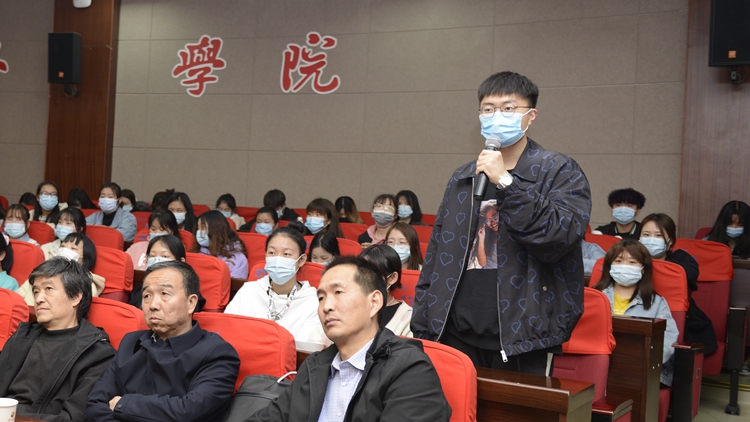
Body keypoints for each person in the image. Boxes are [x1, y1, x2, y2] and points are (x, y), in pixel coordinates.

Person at [412, 71, 591, 374]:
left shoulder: (559, 170)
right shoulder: (464, 176)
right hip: (455, 330)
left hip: (524, 334)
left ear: (531, 116)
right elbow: (438, 254)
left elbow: (558, 237)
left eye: (508, 108)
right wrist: (425, 316)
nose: (497, 116)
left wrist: (506, 181)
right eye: (488, 109)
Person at [247, 256, 450, 422]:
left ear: (374, 302)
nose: (326, 306)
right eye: (321, 298)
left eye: (338, 292)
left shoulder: (410, 368)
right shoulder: (315, 366)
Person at [84, 261, 240, 422]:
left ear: (191, 303)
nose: (153, 305)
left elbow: (188, 412)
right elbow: (95, 405)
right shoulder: (131, 343)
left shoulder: (217, 353)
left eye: (165, 294)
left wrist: (124, 404)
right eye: (147, 296)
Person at [0, 258, 116, 421]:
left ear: (75, 297)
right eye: (36, 291)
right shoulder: (22, 335)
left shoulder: (98, 354)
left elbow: (73, 417)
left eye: (48, 289)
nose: (38, 299)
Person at [593, 239, 679, 386]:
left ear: (643, 269)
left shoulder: (657, 303)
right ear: (609, 266)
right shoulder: (594, 296)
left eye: (632, 262)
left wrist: (639, 362)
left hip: (641, 370)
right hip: (599, 364)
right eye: (618, 261)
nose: (624, 266)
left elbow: (668, 339)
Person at [225, 227, 327, 345]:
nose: (278, 259)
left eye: (286, 254)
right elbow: (227, 331)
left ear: (301, 260)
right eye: (272, 253)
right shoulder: (248, 291)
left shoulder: (312, 301)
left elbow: (305, 349)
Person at [639, 213, 718, 354]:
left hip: (679, 318)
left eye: (658, 235)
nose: (651, 239)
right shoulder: (631, 258)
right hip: (640, 312)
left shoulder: (681, 258)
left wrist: (658, 266)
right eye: (646, 234)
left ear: (670, 241)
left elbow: (690, 274)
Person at [18, 233, 105, 306]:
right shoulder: (40, 274)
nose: (65, 250)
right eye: (62, 246)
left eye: (73, 248)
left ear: (85, 259)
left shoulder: (87, 284)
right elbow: (17, 297)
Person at [360, 245, 413, 337]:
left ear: (392, 278)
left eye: (372, 274)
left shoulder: (407, 317)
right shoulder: (349, 305)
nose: (364, 279)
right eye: (360, 273)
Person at [190, 210, 249, 279]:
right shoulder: (195, 252)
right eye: (198, 228)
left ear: (217, 230)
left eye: (203, 227)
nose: (199, 232)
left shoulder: (237, 258)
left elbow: (235, 283)